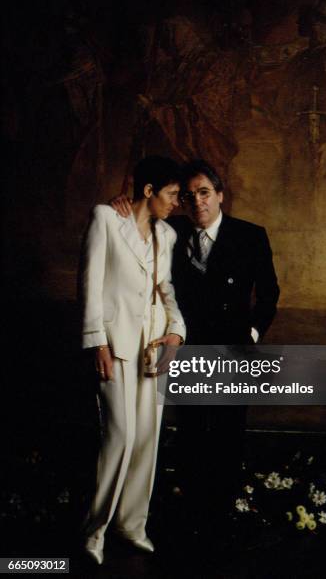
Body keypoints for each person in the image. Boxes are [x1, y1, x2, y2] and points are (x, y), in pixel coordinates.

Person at [111, 159, 279, 538]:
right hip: (185, 349)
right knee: (189, 432)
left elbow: (269, 294)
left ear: (220, 195)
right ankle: (191, 516)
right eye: (188, 195)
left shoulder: (250, 236)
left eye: (204, 192)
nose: (197, 201)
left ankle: (222, 518)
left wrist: (250, 334)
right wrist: (120, 203)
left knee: (227, 433)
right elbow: (137, 219)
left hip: (232, 350)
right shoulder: (171, 228)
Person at [80, 155, 186, 565]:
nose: (176, 202)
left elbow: (166, 289)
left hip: (153, 348)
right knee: (119, 435)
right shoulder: (106, 218)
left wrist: (177, 329)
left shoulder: (167, 236)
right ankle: (94, 531)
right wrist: (97, 343)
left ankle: (132, 525)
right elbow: (89, 284)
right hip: (115, 344)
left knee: (146, 439)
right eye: (172, 194)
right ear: (148, 191)